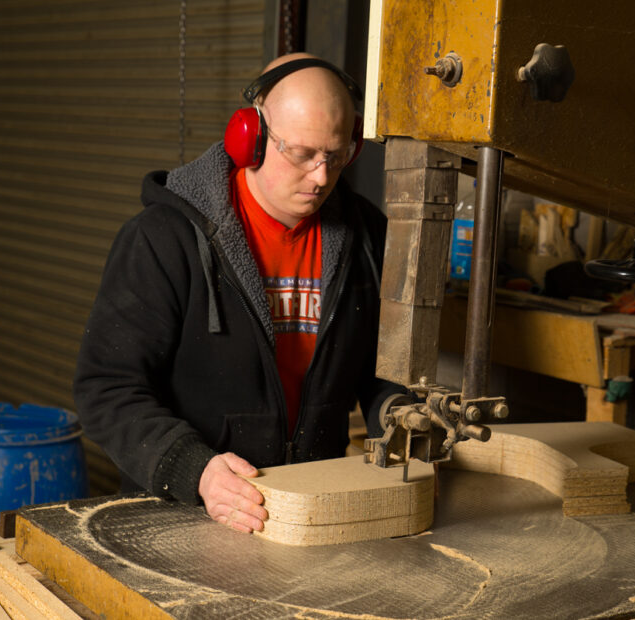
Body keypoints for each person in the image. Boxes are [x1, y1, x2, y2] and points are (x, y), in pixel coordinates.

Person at [73, 53, 403, 534]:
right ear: (250, 138)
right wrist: (194, 470)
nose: (321, 177)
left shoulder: (367, 235)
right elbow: (106, 388)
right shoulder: (165, 238)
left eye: (336, 156)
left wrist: (398, 416)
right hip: (180, 510)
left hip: (312, 512)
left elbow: (380, 370)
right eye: (303, 154)